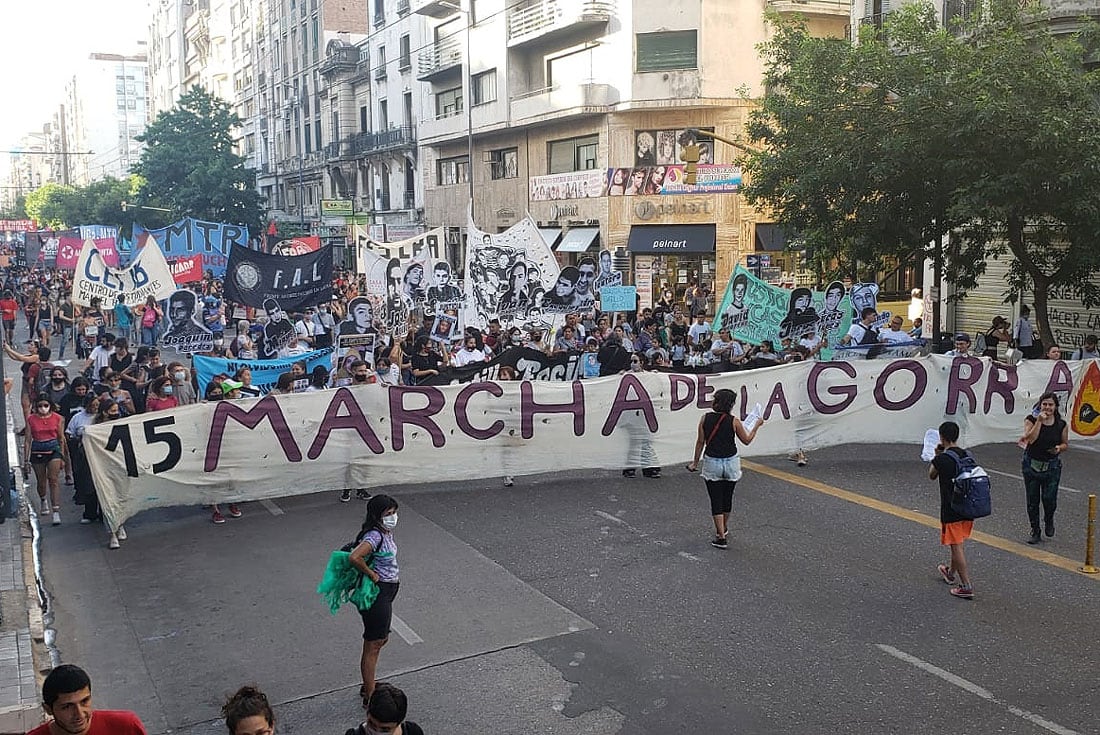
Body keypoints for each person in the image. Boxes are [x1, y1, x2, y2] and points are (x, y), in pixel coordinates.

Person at [687, 388, 764, 549]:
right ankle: (723, 528)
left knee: (715, 498)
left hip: (712, 462)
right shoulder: (734, 421)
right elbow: (747, 440)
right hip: (731, 462)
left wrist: (695, 462)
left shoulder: (704, 419)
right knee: (727, 497)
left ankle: (721, 535)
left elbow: (700, 442)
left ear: (717, 402)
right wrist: (756, 425)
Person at [348, 494, 402, 706]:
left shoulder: (385, 532)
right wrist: (371, 574)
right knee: (374, 643)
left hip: (387, 590)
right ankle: (370, 694)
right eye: (388, 514)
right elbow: (355, 557)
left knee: (380, 640)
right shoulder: (374, 536)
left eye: (394, 513)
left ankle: (368, 683)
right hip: (377, 592)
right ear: (376, 516)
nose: (393, 517)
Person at [27, 664, 146, 735]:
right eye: (67, 707)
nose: (79, 714)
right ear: (48, 709)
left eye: (84, 701)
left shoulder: (125, 727)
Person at [929, 420, 976, 599]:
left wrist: (936, 455)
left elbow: (931, 475)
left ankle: (966, 586)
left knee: (956, 546)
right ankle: (950, 573)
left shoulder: (942, 459)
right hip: (968, 507)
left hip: (951, 509)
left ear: (942, 437)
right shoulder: (967, 454)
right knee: (958, 542)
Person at [1019, 392, 1068, 545]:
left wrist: (1059, 448)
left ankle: (1049, 519)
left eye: (1051, 404)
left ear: (1055, 407)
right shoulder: (1031, 420)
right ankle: (1035, 530)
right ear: (1040, 405)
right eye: (1045, 404)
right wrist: (1039, 421)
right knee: (1032, 501)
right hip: (1031, 464)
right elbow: (1030, 439)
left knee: (1049, 499)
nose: (1047, 407)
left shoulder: (1061, 424)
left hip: (1051, 467)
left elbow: (1065, 443)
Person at [25, 393, 70, 526]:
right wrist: (26, 460)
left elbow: (61, 438)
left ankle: (56, 510)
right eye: (40, 406)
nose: (43, 408)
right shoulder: (31, 419)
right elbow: (28, 440)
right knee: (41, 480)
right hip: (37, 450)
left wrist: (62, 456)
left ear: (50, 406)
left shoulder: (58, 418)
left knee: (53, 479)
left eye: (46, 405)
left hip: (53, 449)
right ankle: (43, 499)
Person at [347, 682, 425, 735]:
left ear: (399, 723)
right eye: (371, 724)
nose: (375, 732)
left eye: (384, 729)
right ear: (367, 713)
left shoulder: (413, 732)